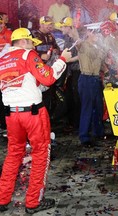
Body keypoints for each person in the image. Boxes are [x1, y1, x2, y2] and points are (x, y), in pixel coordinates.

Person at [0, 27, 71, 214]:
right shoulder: (27, 55)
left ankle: (2, 198)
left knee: (13, 154)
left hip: (10, 114)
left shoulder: (3, 59)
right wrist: (62, 59)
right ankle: (33, 202)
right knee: (41, 154)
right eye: (31, 42)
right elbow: (48, 78)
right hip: (32, 114)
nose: (33, 46)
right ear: (23, 41)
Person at [77, 25, 107, 146]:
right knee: (87, 108)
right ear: (89, 33)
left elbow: (100, 62)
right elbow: (77, 40)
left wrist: (107, 72)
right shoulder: (83, 45)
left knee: (98, 107)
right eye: (95, 33)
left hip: (95, 79)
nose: (97, 35)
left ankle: (98, 132)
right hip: (86, 78)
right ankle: (84, 136)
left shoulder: (98, 46)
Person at [56, 16, 81, 131]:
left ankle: (77, 123)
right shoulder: (67, 37)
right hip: (70, 71)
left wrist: (67, 60)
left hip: (77, 70)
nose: (61, 29)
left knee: (76, 97)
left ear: (69, 27)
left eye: (63, 27)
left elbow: (81, 55)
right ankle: (72, 122)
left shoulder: (77, 37)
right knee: (70, 96)